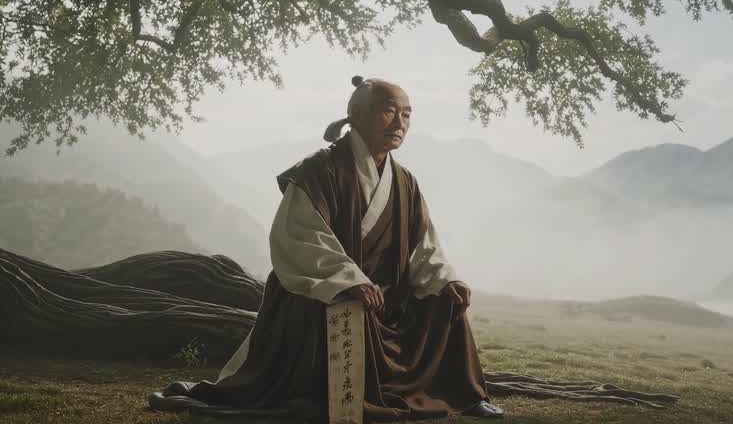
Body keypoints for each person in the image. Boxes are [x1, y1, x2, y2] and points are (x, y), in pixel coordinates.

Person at [150, 76, 504, 421]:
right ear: (357, 115)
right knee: (350, 302)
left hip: (387, 302)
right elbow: (301, 239)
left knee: (448, 300)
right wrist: (348, 280)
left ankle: (465, 394)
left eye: (407, 114)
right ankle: (350, 395)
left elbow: (424, 248)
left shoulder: (405, 181)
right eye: (389, 111)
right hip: (324, 292)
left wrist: (444, 279)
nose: (400, 122)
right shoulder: (318, 170)